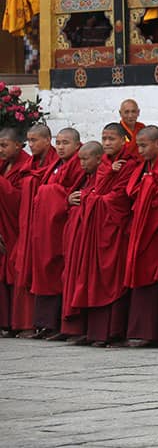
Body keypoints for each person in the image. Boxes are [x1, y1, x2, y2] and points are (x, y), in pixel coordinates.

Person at [66, 123, 141, 346]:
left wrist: (90, 199)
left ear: (123, 141)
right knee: (92, 279)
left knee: (111, 279)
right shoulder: (104, 165)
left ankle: (111, 332)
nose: (107, 143)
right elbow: (93, 191)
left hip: (114, 231)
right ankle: (93, 332)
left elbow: (119, 198)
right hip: (95, 232)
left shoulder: (129, 165)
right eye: (104, 138)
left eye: (112, 139)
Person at [28, 128, 84, 339]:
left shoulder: (78, 164)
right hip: (46, 228)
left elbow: (76, 192)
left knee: (58, 272)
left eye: (65, 143)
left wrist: (62, 199)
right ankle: (44, 324)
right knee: (44, 270)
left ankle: (59, 325)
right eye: (58, 143)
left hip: (62, 228)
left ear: (77, 145)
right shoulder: (56, 165)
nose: (60, 147)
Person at [123, 126, 158, 347]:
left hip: (157, 231)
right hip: (140, 230)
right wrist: (146, 184)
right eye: (139, 146)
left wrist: (150, 185)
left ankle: (152, 332)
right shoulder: (142, 166)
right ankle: (138, 330)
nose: (140, 150)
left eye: (144, 146)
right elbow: (130, 190)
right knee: (140, 276)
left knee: (153, 277)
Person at [11, 124, 57, 335]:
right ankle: (26, 323)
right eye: (28, 141)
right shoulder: (29, 164)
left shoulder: (56, 163)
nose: (31, 145)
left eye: (35, 140)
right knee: (25, 267)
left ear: (48, 140)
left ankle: (42, 324)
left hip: (46, 225)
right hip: (27, 224)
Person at [60, 141, 104, 341]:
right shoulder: (85, 178)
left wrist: (86, 198)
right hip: (77, 237)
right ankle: (73, 328)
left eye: (86, 159)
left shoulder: (103, 177)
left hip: (90, 238)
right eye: (80, 160)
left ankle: (85, 329)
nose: (82, 164)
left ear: (98, 158)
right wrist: (69, 200)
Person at [0, 128, 33, 337]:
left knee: (15, 271)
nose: (0, 150)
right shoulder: (3, 165)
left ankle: (18, 322)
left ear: (18, 145)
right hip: (3, 228)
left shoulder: (26, 166)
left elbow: (19, 200)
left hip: (16, 230)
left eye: (4, 145)